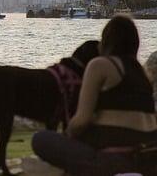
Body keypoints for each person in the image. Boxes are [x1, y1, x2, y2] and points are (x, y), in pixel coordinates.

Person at [32, 15, 157, 175]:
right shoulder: (142, 73)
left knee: (41, 139)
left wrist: (67, 135)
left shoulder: (100, 65)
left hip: (115, 160)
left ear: (106, 41)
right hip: (148, 158)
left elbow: (81, 121)